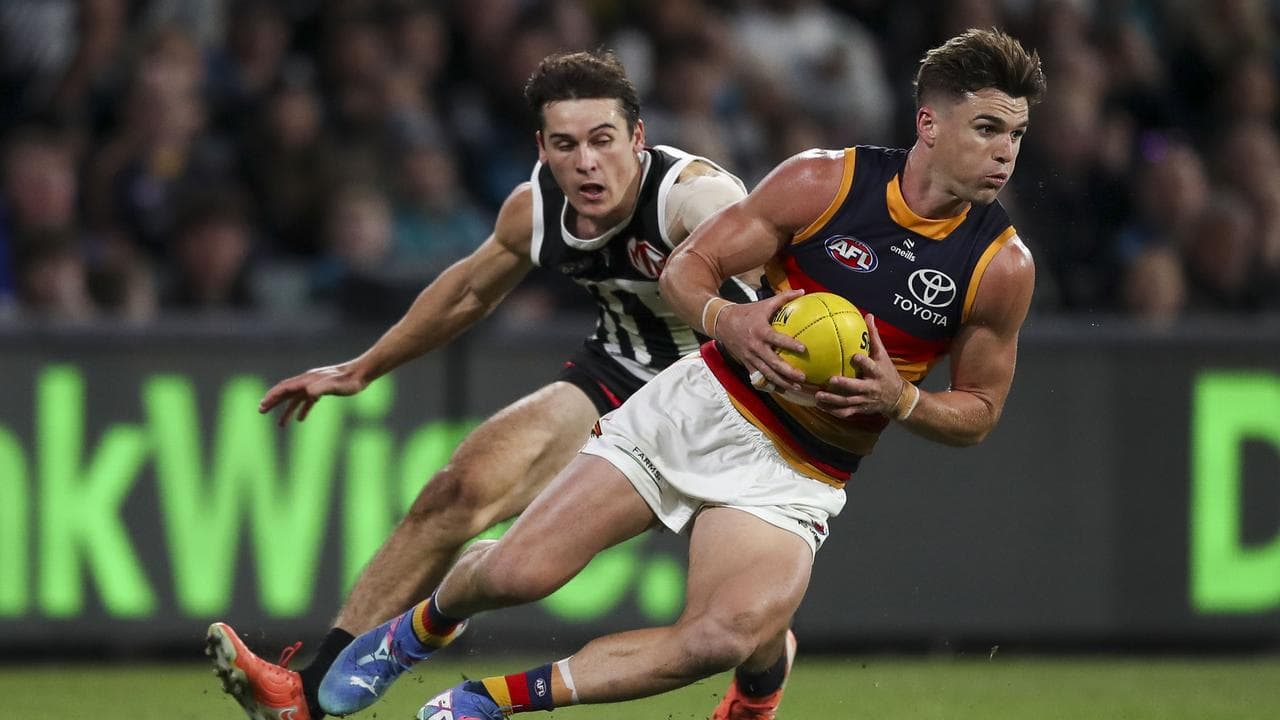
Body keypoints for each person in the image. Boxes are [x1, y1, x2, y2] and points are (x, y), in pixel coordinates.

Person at [320, 28, 1044, 720]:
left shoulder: (1000, 266)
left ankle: (485, 702)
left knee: (719, 637)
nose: (1005, 152)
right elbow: (690, 268)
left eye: (1015, 134)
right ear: (929, 123)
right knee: (518, 575)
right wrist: (732, 321)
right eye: (987, 129)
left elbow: (978, 413)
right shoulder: (826, 180)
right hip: (702, 402)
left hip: (804, 467)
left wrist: (904, 398)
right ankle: (415, 630)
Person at [205, 50, 756, 720]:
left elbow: (788, 275)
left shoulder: (696, 199)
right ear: (542, 148)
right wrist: (361, 368)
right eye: (566, 144)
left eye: (603, 141)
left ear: (637, 138)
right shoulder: (538, 206)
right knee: (457, 492)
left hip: (732, 395)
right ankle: (308, 698)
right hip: (622, 369)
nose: (586, 162)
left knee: (736, 617)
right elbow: (468, 291)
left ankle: (758, 689)